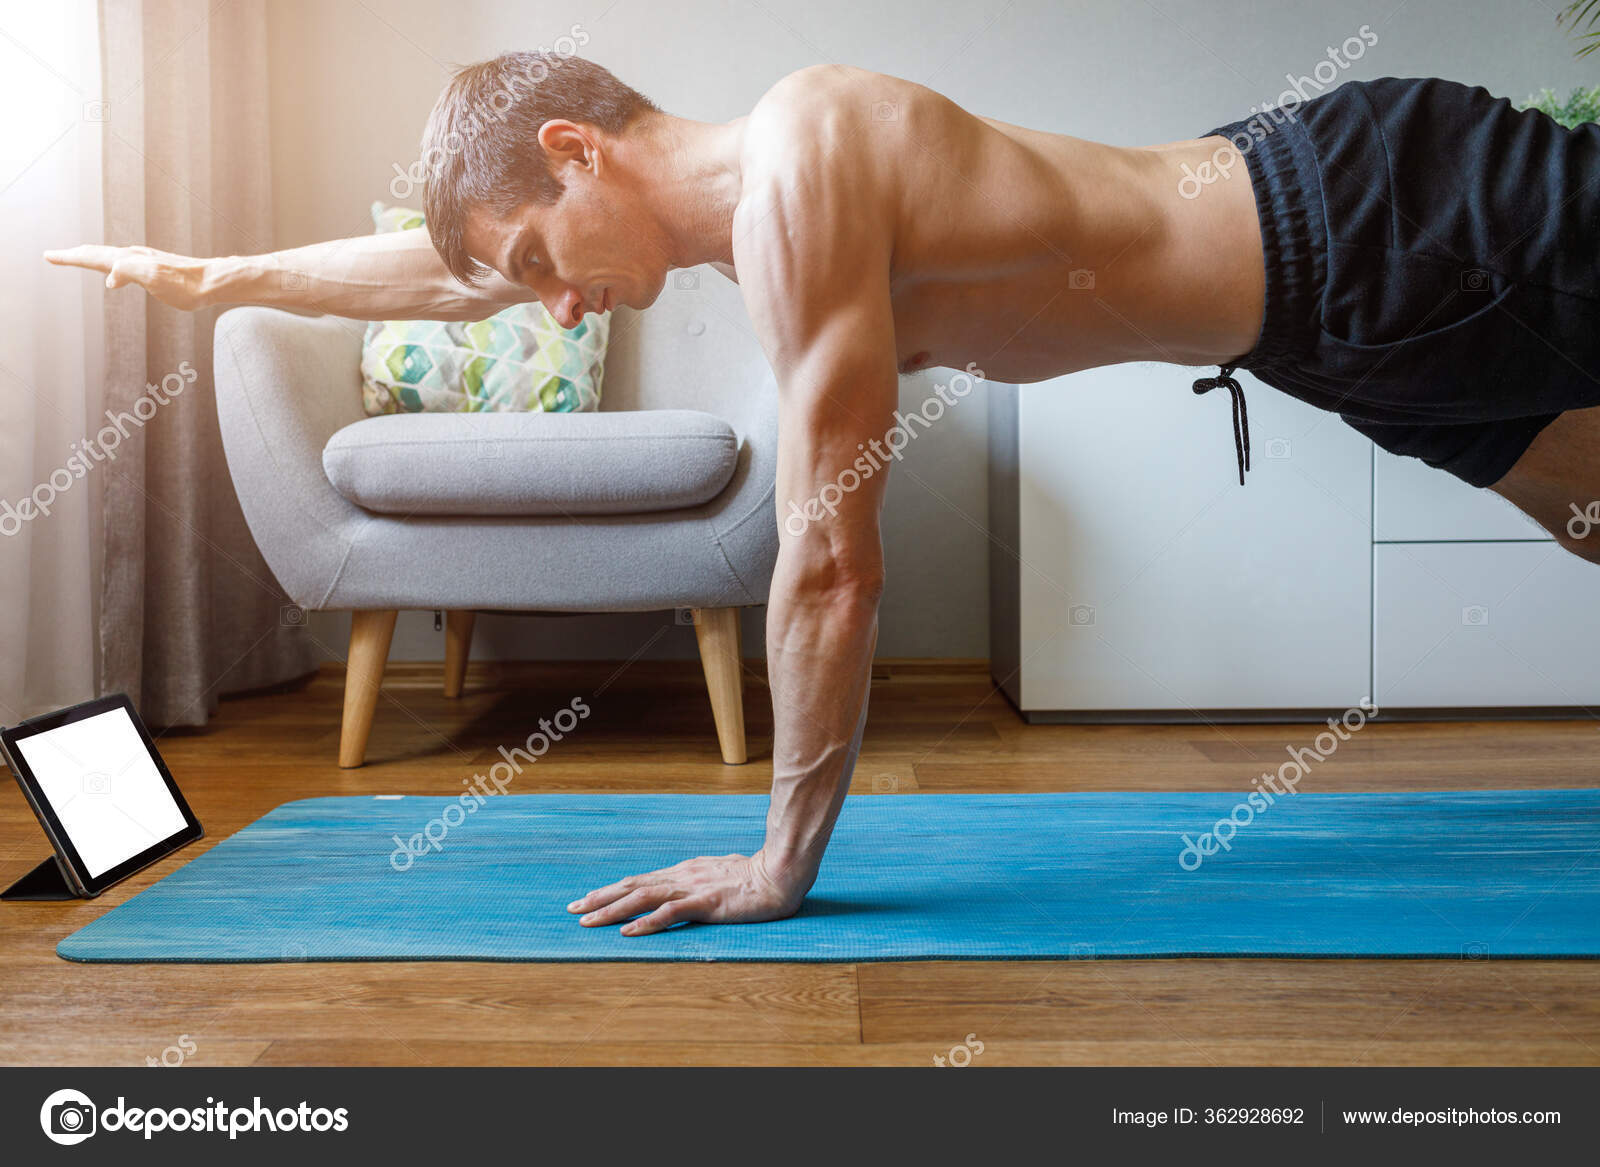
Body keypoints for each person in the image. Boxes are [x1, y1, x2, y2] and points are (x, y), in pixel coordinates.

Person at [47, 55, 1600, 936]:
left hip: (1380, 217)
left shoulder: (803, 176)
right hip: (1334, 327)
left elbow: (830, 567)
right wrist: (217, 273)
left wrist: (783, 861)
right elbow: (456, 279)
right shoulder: (722, 215)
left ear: (580, 150)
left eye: (543, 264)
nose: (558, 311)